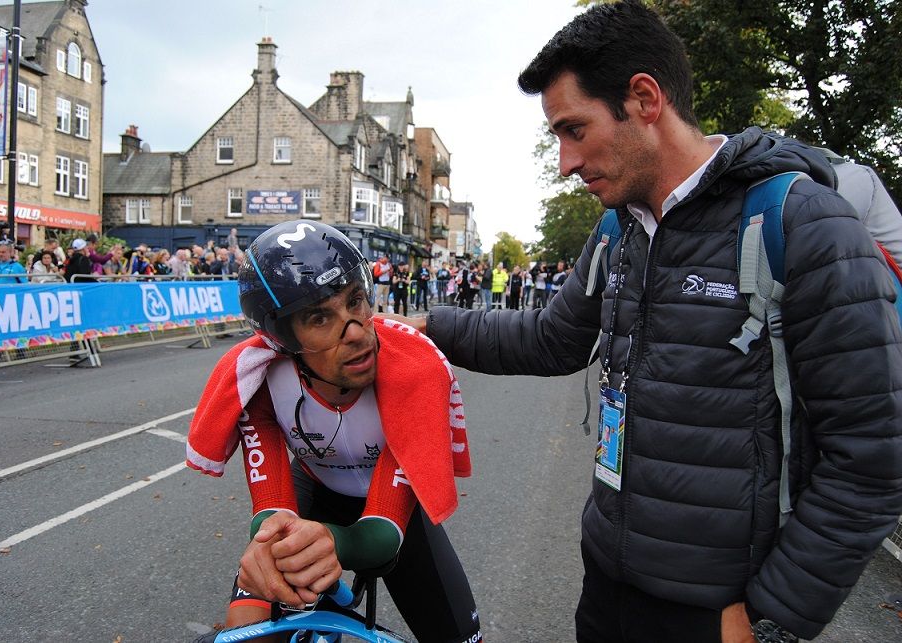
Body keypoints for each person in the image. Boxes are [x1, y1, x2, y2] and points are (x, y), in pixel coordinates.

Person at [393, 3, 902, 642]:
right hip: (609, 582)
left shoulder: (805, 223)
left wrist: (772, 616)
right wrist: (419, 327)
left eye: (574, 130)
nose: (565, 162)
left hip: (724, 610)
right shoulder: (619, 229)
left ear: (644, 99)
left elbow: (872, 457)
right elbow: (552, 338)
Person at [185, 220, 482, 643]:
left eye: (356, 301)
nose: (358, 332)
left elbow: (380, 537)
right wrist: (275, 542)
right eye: (320, 316)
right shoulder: (261, 380)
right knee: (248, 631)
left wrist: (335, 545)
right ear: (282, 336)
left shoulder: (414, 372)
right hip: (314, 490)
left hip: (396, 515)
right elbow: (272, 510)